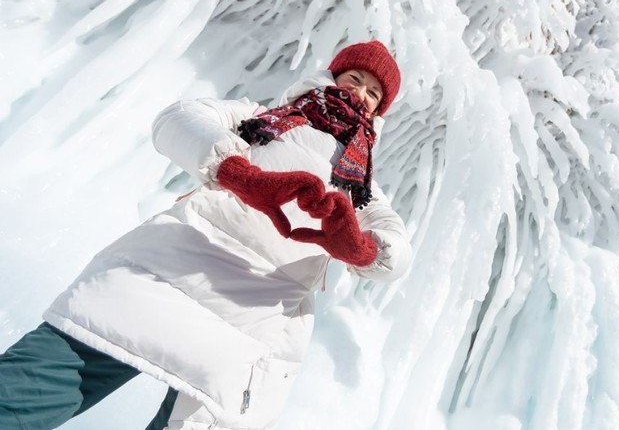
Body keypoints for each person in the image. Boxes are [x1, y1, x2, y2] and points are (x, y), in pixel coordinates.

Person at [0, 40, 412, 430]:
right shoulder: (261, 117)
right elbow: (178, 117)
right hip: (174, 263)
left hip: (258, 310)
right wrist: (239, 175)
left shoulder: (362, 187)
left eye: (374, 92)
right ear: (332, 76)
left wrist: (360, 249)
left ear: (380, 110)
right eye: (355, 79)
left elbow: (395, 249)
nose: (360, 94)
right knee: (39, 381)